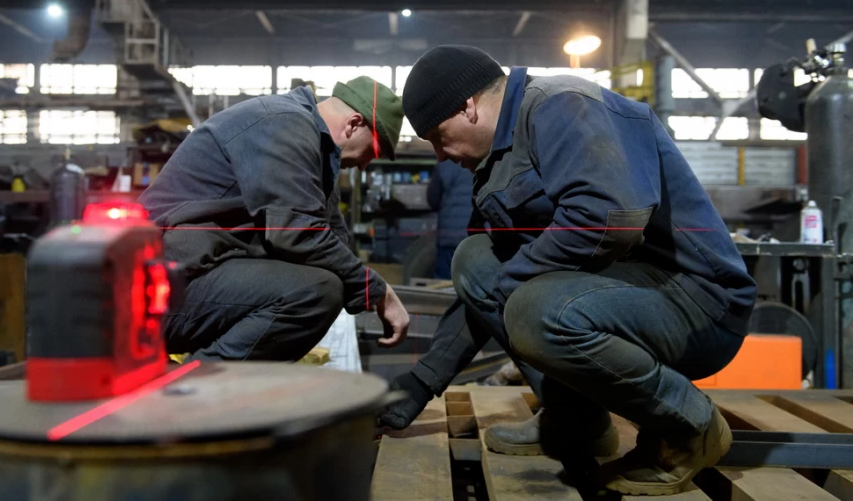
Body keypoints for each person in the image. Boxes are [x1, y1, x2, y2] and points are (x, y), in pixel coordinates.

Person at [379, 46, 756, 496]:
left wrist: (515, 282)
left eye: (438, 136)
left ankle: (689, 426)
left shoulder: (562, 103)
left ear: (469, 106)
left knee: (534, 309)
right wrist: (423, 381)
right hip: (624, 294)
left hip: (696, 303)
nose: (439, 155)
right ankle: (575, 420)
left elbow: (609, 219)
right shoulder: (498, 156)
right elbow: (486, 286)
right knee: (474, 258)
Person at [140, 76, 410, 363]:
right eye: (374, 151)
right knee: (316, 293)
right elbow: (295, 233)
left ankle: (194, 382)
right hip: (156, 287)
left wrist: (363, 283)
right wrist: (378, 292)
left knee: (326, 283)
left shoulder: (317, 151)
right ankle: (191, 395)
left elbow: (331, 239)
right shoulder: (282, 123)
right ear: (354, 124)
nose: (367, 163)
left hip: (193, 273)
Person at [427, 159, 473, 279]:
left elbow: (432, 199)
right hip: (477, 239)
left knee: (444, 286)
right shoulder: (486, 158)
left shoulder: (445, 162)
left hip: (449, 238)